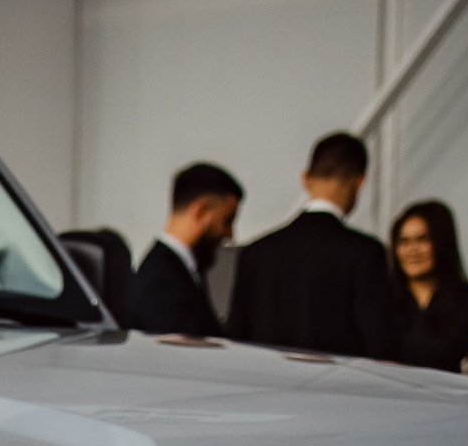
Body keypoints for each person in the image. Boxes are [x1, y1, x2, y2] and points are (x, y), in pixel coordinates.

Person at [226, 130, 396, 360]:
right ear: (360, 181)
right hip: (338, 383)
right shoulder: (366, 253)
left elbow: (236, 341)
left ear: (305, 178)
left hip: (266, 381)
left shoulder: (256, 253)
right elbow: (380, 346)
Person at [130, 161, 244, 337]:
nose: (230, 234)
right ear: (201, 211)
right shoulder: (161, 283)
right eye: (227, 220)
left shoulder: (180, 270)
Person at [388, 200, 468, 378]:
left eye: (422, 239)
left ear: (442, 243)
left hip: (447, 396)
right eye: (403, 241)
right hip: (388, 395)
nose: (411, 250)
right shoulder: (380, 297)